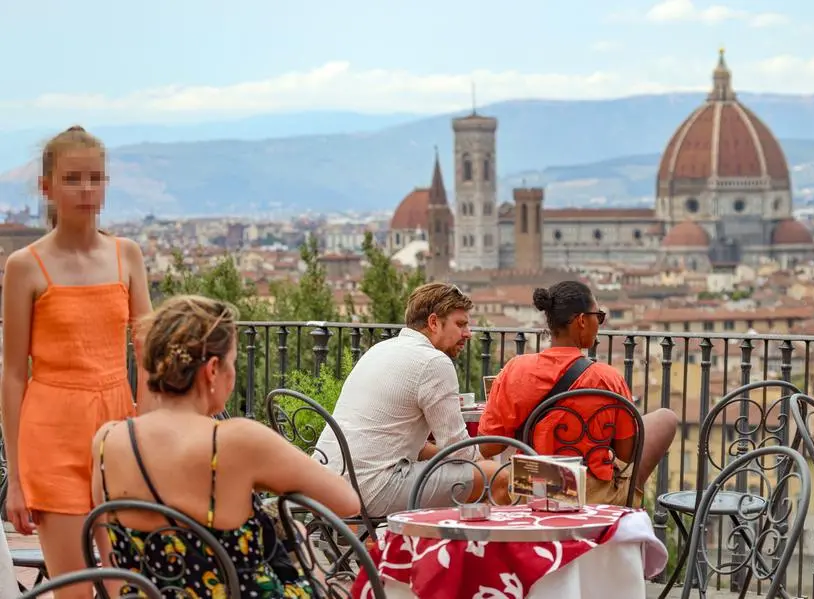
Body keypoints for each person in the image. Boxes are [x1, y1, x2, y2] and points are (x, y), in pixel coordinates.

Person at [91, 295, 361, 598]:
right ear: (213, 369)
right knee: (299, 542)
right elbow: (347, 501)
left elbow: (109, 556)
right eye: (233, 362)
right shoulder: (235, 441)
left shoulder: (107, 440)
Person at [1, 126, 154, 591]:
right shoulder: (25, 265)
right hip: (52, 436)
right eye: (73, 179)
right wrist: (18, 479)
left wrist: (146, 434)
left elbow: (146, 354)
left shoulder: (127, 255)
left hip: (117, 434)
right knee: (73, 589)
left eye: (95, 178)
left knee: (127, 584)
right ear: (46, 187)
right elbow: (11, 374)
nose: (87, 190)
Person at [478, 281, 678, 507]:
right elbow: (625, 453)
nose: (600, 323)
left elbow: (489, 447)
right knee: (665, 419)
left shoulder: (515, 370)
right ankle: (627, 509)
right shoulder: (607, 378)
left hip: (532, 490)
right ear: (582, 320)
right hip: (591, 495)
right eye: (599, 316)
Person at [316, 282, 506, 516]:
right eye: (461, 324)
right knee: (498, 477)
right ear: (434, 322)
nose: (468, 333)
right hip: (371, 489)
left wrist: (461, 457)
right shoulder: (433, 362)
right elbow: (459, 453)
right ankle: (470, 551)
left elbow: (417, 446)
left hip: (325, 482)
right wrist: (489, 460)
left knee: (477, 471)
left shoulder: (380, 349)